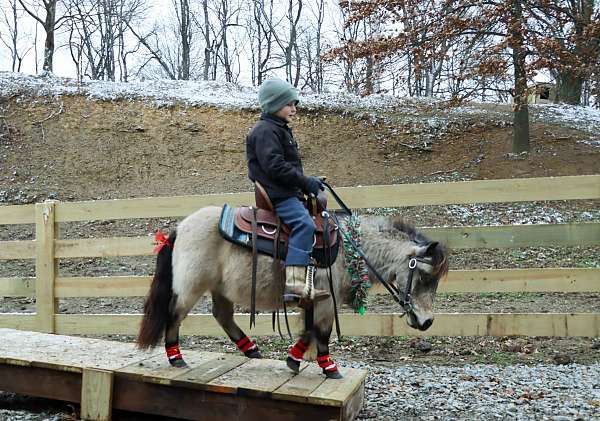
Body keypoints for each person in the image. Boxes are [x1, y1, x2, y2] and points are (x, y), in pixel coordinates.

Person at [246, 78, 329, 304]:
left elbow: (286, 166)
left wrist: (308, 181)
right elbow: (275, 166)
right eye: (289, 104)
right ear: (274, 105)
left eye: (295, 104)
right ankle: (295, 285)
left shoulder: (277, 129)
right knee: (304, 224)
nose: (294, 109)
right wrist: (305, 182)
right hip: (279, 195)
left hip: (287, 191)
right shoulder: (265, 131)